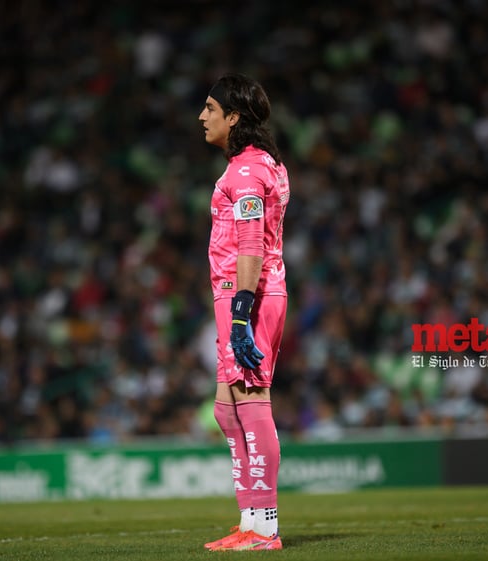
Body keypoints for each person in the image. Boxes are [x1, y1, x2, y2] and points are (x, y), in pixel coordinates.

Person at [198, 73, 289, 551]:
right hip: (238, 295)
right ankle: (250, 519)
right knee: (226, 408)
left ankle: (266, 528)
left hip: (247, 296)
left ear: (233, 117)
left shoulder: (247, 172)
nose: (202, 116)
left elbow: (252, 243)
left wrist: (240, 313)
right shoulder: (259, 165)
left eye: (210, 108)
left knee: (252, 406)